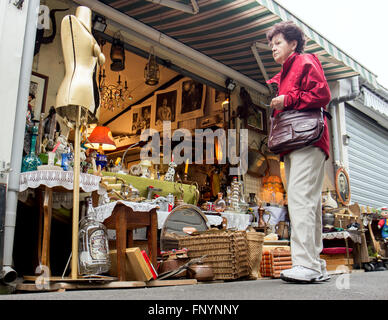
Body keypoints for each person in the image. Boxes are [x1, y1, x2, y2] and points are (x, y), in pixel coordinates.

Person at [266, 21, 331, 283]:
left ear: (293, 43)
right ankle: (315, 264)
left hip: (306, 142)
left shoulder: (304, 61)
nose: (273, 48)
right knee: (309, 203)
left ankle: (305, 264)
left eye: (278, 43)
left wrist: (288, 99)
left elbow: (322, 94)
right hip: (297, 144)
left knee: (300, 200)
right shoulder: (284, 73)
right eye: (271, 45)